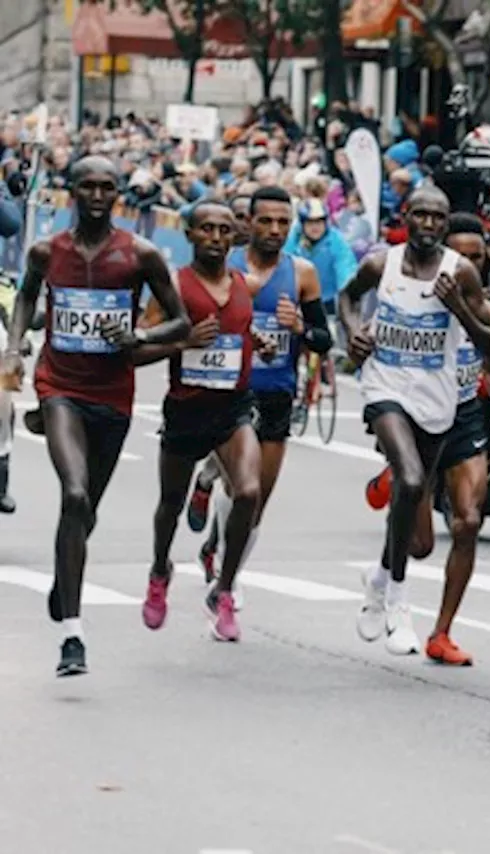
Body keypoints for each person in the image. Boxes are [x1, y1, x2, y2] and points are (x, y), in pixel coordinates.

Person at [0, 155, 191, 676]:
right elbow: (23, 300)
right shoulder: (47, 252)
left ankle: (65, 578)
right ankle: (72, 637)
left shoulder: (141, 255)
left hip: (114, 393)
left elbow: (181, 321)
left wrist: (141, 336)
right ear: (73, 193)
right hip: (59, 385)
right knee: (75, 493)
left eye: (108, 187)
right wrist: (14, 348)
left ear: (119, 195)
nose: (99, 195)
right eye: (89, 186)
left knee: (87, 513)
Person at [343, 186, 490, 656]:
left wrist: (457, 309)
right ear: (405, 218)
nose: (429, 225)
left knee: (417, 526)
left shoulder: (462, 273)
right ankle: (397, 600)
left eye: (439, 218)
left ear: (447, 225)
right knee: (410, 480)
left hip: (439, 398)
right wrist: (354, 334)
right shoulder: (382, 264)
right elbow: (347, 300)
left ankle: (377, 577)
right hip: (386, 387)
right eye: (421, 216)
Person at [135, 201, 277, 642]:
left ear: (234, 236)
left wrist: (262, 343)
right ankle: (160, 570)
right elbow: (136, 350)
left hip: (232, 409)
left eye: (224, 229)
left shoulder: (245, 284)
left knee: (249, 492)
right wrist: (182, 342)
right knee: (170, 506)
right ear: (190, 235)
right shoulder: (173, 288)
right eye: (207, 229)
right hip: (185, 410)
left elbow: (240, 327)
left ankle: (226, 589)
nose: (216, 237)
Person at [187, 187, 329, 605]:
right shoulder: (223, 265)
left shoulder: (302, 273)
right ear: (247, 224)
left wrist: (301, 326)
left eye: (284, 223)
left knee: (256, 502)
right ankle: (227, 588)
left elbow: (324, 339)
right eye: (266, 221)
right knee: (241, 488)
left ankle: (216, 546)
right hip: (228, 394)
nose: (275, 230)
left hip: (276, 396)